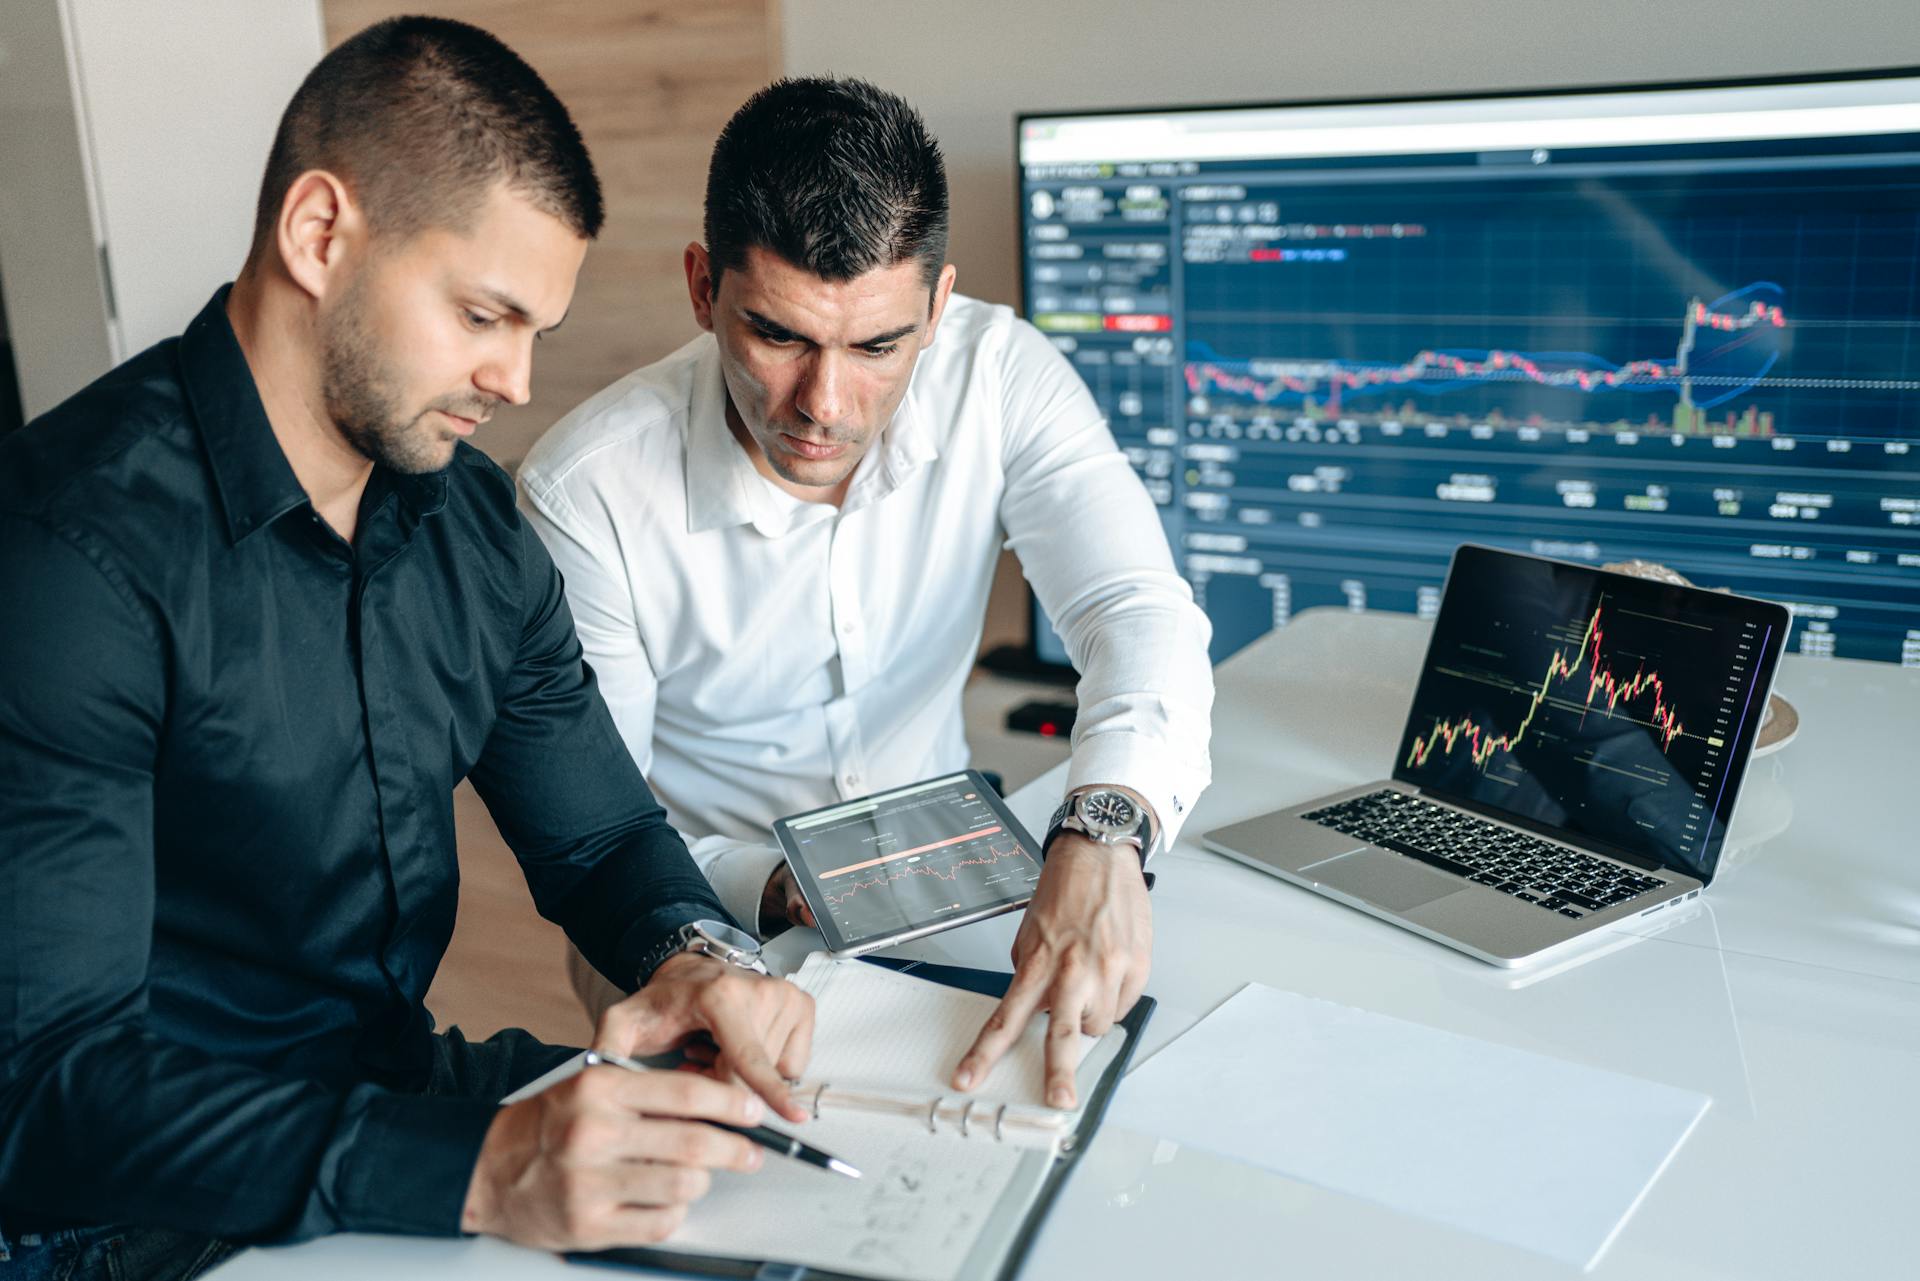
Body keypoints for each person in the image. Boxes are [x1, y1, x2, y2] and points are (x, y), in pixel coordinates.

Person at [0, 18, 814, 1279]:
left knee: (784, 1181)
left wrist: (693, 958)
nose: (518, 379)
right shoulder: (67, 558)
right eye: (486, 314)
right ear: (321, 234)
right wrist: (489, 1170)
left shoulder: (472, 526)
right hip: (116, 1212)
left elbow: (598, 838)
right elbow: (47, 1088)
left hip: (382, 1092)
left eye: (536, 328)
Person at [518, 77, 1214, 1112]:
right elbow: (604, 829)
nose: (824, 407)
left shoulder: (1001, 374)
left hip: (951, 905)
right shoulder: (586, 492)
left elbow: (1137, 610)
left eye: (878, 347)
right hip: (699, 929)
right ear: (704, 287)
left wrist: (1106, 827)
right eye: (780, 336)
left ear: (936, 307)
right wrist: (779, 885)